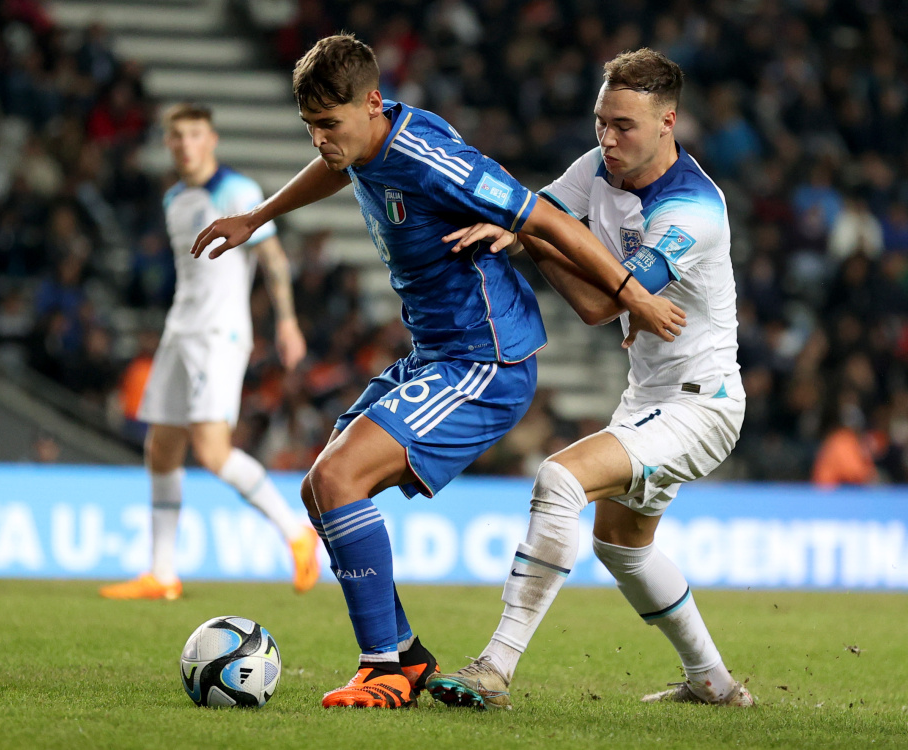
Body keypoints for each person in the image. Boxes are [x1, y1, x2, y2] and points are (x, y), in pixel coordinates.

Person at [191, 35, 685, 709]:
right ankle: (407, 655)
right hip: (436, 354)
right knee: (319, 488)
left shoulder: (431, 159)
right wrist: (258, 216)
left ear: (371, 103)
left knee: (339, 479)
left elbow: (543, 218)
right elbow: (342, 167)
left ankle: (384, 669)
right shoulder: (364, 141)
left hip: (485, 359)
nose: (320, 141)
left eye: (328, 126)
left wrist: (633, 294)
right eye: (310, 128)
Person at [426, 48, 754, 709]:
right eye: (601, 120)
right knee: (621, 548)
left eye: (624, 125)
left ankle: (495, 667)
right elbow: (527, 216)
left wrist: (536, 235)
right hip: (649, 397)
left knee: (559, 479)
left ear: (669, 122)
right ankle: (715, 687)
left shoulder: (692, 210)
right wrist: (518, 226)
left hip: (704, 403)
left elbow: (602, 304)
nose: (607, 137)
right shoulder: (597, 166)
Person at [99, 103, 320, 601]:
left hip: (219, 336)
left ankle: (296, 532)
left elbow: (273, 258)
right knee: (161, 448)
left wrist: (286, 321)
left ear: (212, 139)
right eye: (176, 135)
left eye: (194, 134)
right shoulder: (175, 197)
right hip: (179, 331)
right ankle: (162, 572)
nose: (185, 144)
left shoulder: (236, 191)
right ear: (167, 143)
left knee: (213, 452)